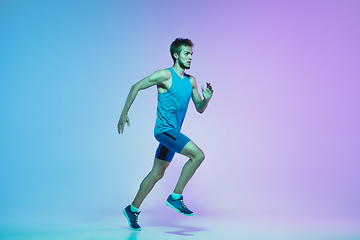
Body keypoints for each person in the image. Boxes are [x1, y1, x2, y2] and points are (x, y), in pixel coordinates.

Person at [117, 38, 213, 231]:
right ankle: (176, 197)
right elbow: (136, 86)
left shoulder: (191, 81)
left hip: (172, 134)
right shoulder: (164, 75)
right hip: (164, 131)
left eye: (192, 54)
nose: (190, 57)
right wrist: (124, 113)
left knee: (157, 173)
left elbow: (199, 108)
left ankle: (132, 208)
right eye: (187, 53)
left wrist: (207, 100)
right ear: (176, 55)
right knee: (198, 155)